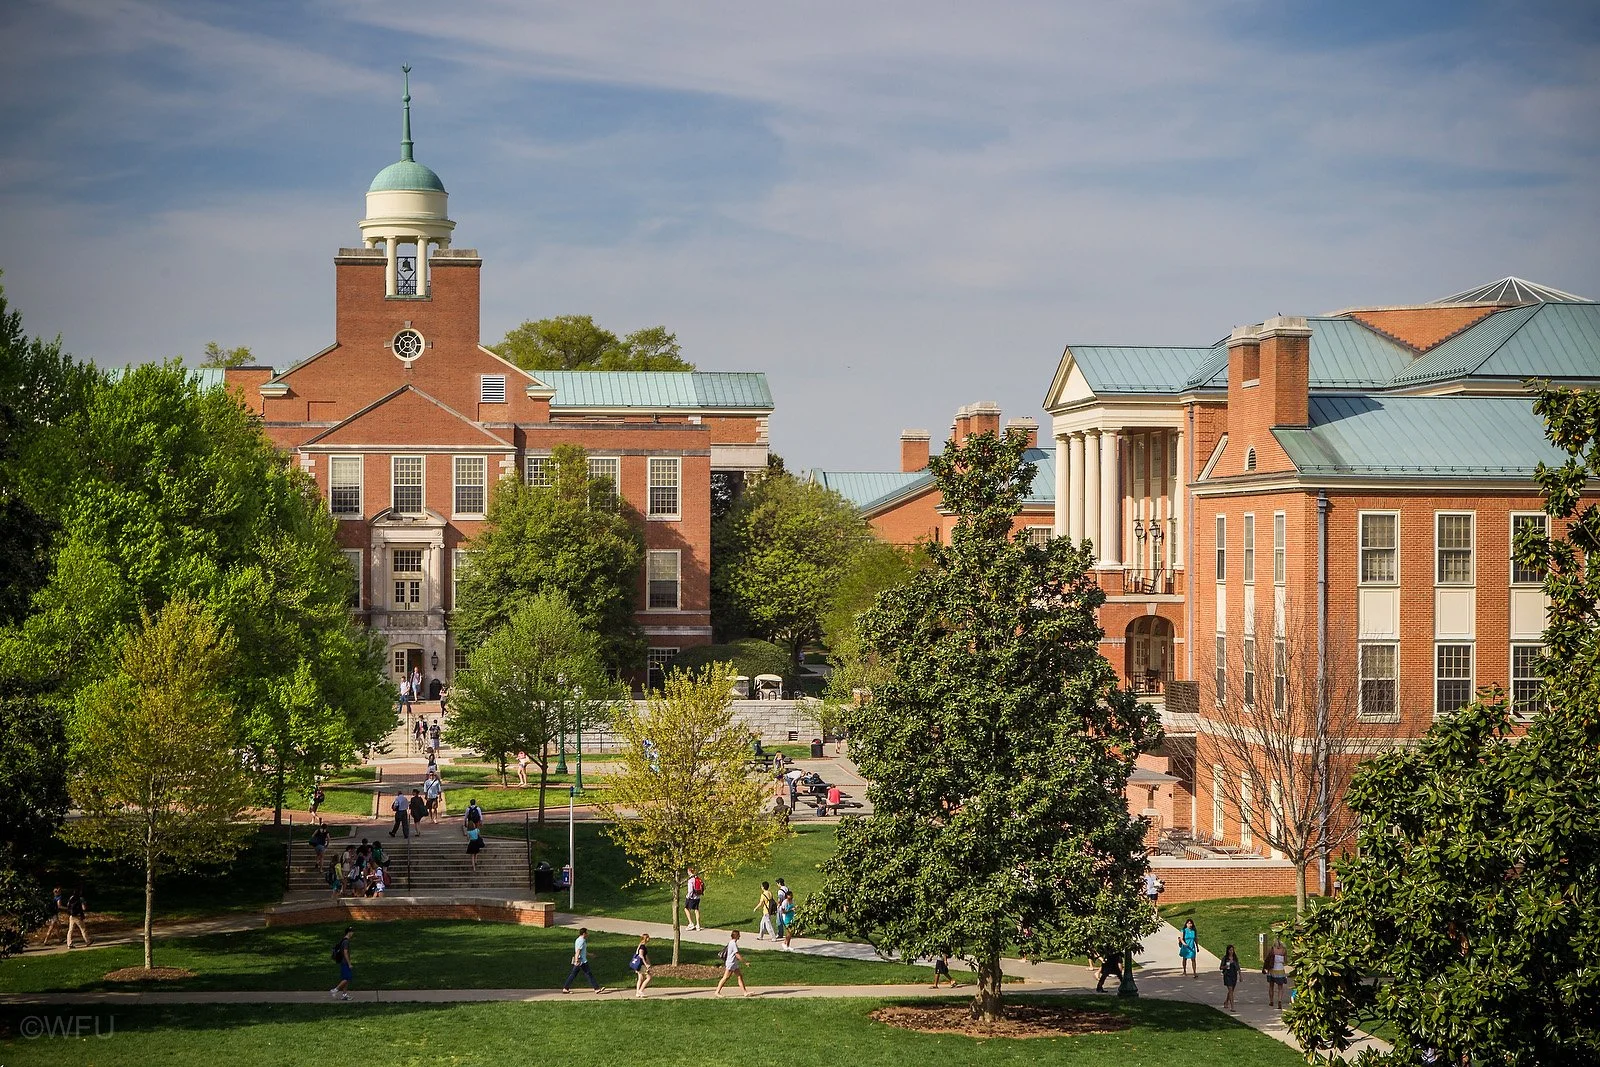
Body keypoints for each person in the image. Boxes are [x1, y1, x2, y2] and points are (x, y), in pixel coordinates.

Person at [562, 927, 607, 993]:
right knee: (588, 974)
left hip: (580, 960)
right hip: (581, 961)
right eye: (586, 933)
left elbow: (583, 951)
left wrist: (590, 954)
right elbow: (578, 951)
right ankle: (596, 988)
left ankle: (565, 988)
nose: (587, 934)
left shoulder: (578, 940)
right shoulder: (582, 941)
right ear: (584, 933)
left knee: (573, 974)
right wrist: (577, 960)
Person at [714, 929, 751, 997]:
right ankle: (717, 992)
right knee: (725, 977)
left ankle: (745, 992)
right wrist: (745, 962)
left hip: (734, 963)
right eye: (739, 935)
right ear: (736, 936)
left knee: (739, 976)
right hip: (731, 963)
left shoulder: (731, 942)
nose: (740, 936)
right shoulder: (733, 943)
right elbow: (737, 954)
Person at [330, 925, 354, 1000]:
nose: (353, 933)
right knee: (346, 978)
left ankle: (344, 995)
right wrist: (349, 963)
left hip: (343, 962)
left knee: (346, 978)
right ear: (348, 933)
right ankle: (335, 990)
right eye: (351, 932)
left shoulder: (343, 940)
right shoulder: (346, 941)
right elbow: (345, 952)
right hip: (345, 962)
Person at [1264, 938, 1289, 1008]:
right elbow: (1286, 961)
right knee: (1280, 987)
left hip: (1272, 969)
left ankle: (1271, 1001)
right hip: (1280, 969)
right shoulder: (1284, 950)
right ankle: (1279, 1000)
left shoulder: (1272, 949)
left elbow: (1267, 958)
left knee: (1271, 986)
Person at [631, 933, 654, 998]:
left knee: (640, 978)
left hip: (640, 965)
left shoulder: (641, 945)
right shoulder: (642, 946)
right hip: (641, 965)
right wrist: (646, 964)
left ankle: (637, 992)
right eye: (648, 937)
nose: (649, 938)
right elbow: (641, 955)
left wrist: (649, 962)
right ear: (645, 938)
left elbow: (645, 956)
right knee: (649, 977)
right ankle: (641, 991)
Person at [1221, 944, 1241, 1012]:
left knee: (1231, 991)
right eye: (1230, 950)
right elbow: (1221, 967)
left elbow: (1238, 967)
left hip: (1234, 975)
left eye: (1232, 950)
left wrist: (1240, 976)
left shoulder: (1235, 958)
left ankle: (1226, 1001)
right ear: (1228, 951)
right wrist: (1225, 966)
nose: (1231, 951)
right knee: (1230, 990)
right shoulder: (1225, 958)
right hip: (1227, 975)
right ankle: (1232, 1006)